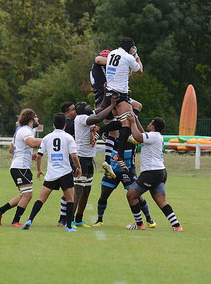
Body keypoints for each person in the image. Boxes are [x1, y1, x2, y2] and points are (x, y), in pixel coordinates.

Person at [21, 113, 82, 231]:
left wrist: (39, 170)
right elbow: (74, 155)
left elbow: (39, 156)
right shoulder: (69, 137)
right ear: (65, 125)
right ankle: (69, 226)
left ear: (53, 125)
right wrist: (78, 167)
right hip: (65, 172)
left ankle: (30, 220)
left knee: (41, 199)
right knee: (70, 200)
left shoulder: (47, 138)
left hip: (51, 174)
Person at [72, 96, 117, 227]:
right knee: (78, 190)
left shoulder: (88, 115)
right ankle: (70, 221)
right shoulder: (80, 118)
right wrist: (112, 105)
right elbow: (98, 118)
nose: (88, 106)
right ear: (80, 110)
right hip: (80, 158)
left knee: (86, 190)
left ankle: (79, 220)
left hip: (89, 159)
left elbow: (101, 108)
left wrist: (104, 93)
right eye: (85, 105)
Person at [93, 134, 156, 228]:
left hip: (128, 170)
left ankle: (149, 219)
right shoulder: (113, 135)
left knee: (136, 196)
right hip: (112, 170)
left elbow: (140, 139)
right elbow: (106, 136)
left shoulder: (133, 137)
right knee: (104, 195)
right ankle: (99, 220)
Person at [0, 109, 41, 227]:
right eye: (36, 117)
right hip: (20, 168)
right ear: (30, 120)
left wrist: (28, 155)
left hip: (20, 167)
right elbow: (32, 143)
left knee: (23, 196)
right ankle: (15, 222)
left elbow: (11, 149)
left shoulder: (23, 130)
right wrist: (50, 140)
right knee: (27, 195)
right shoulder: (25, 131)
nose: (38, 119)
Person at [105, 38, 143, 169]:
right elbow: (140, 71)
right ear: (131, 48)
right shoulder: (129, 57)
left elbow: (124, 72)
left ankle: (101, 131)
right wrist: (137, 58)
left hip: (109, 93)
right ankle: (119, 155)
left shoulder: (112, 53)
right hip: (120, 93)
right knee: (127, 122)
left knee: (123, 121)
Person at [57, 101, 77, 226]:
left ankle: (63, 218)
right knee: (69, 191)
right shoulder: (70, 124)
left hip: (60, 161)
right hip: (67, 161)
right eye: (73, 109)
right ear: (67, 113)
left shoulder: (67, 124)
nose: (75, 111)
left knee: (67, 191)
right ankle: (63, 219)